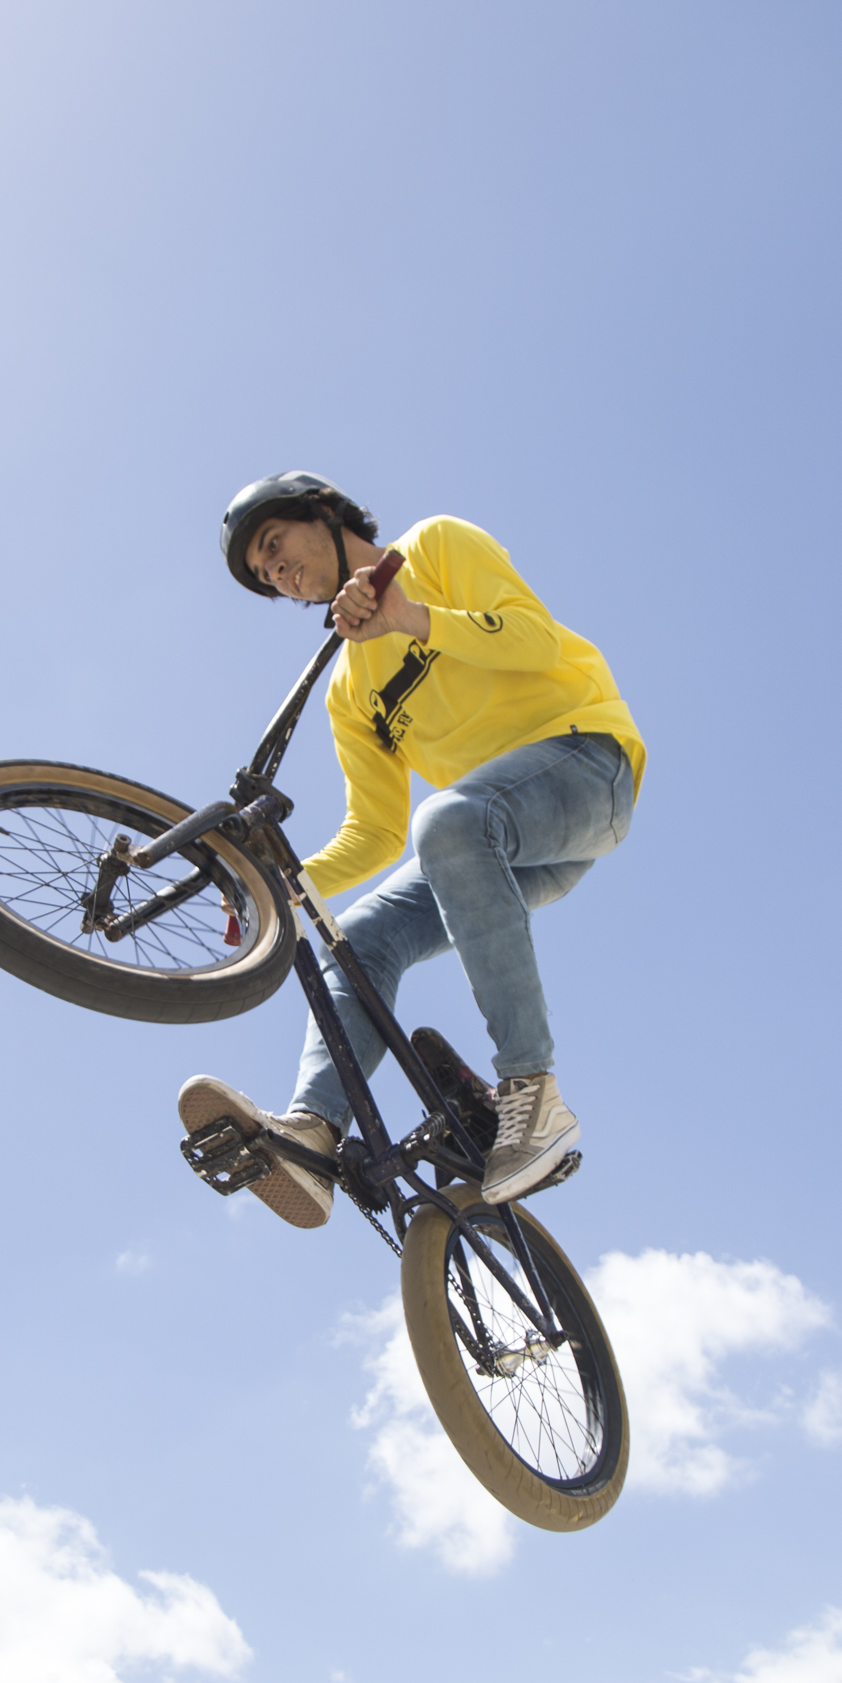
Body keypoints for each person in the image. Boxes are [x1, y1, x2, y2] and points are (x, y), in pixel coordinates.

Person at [180, 471, 645, 1228]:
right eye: (267, 574)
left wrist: (412, 617)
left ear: (323, 512)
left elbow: (534, 637)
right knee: (359, 936)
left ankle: (532, 1092)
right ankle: (313, 1136)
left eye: (276, 543)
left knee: (449, 822)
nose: (279, 571)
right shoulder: (348, 690)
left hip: (588, 766)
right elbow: (375, 834)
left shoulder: (434, 546)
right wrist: (275, 883)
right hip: (494, 845)